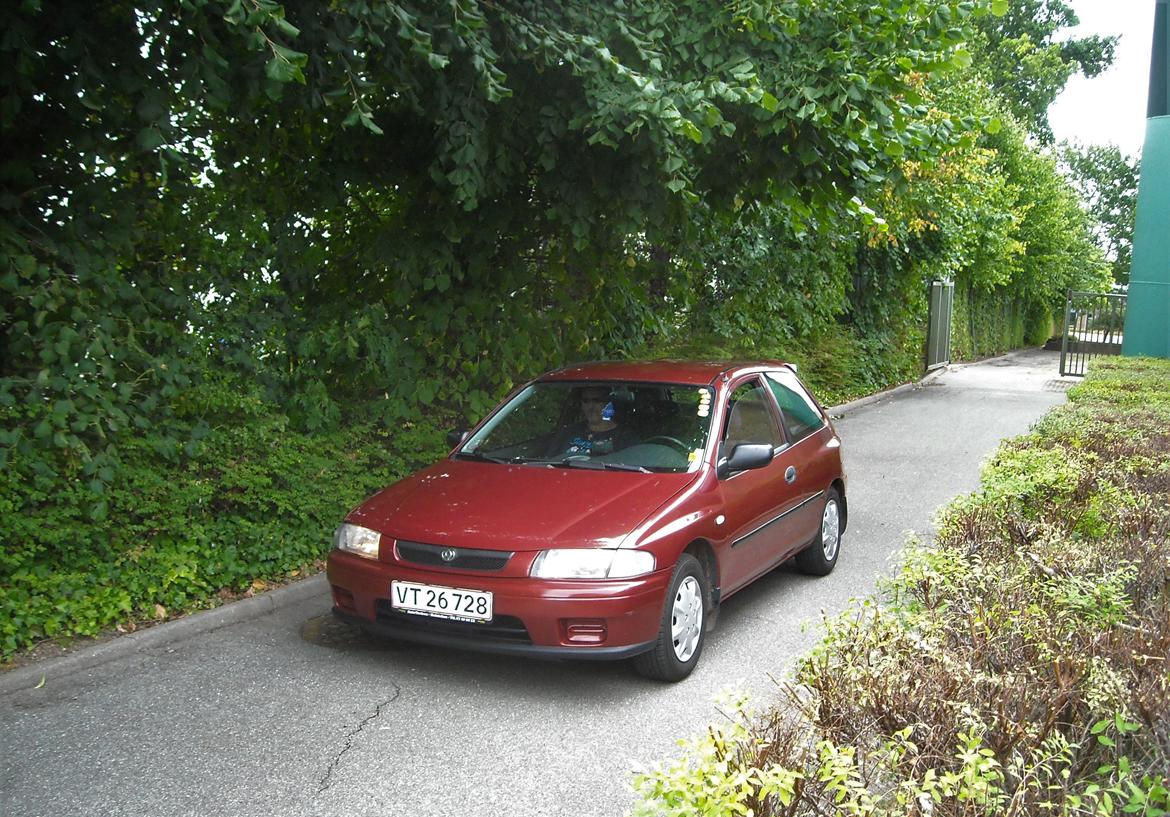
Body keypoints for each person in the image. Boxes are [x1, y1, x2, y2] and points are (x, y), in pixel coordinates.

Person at [559, 386, 636, 457]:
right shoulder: (569, 433)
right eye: (586, 401)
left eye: (596, 400)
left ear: (607, 403)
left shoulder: (625, 438)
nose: (591, 406)